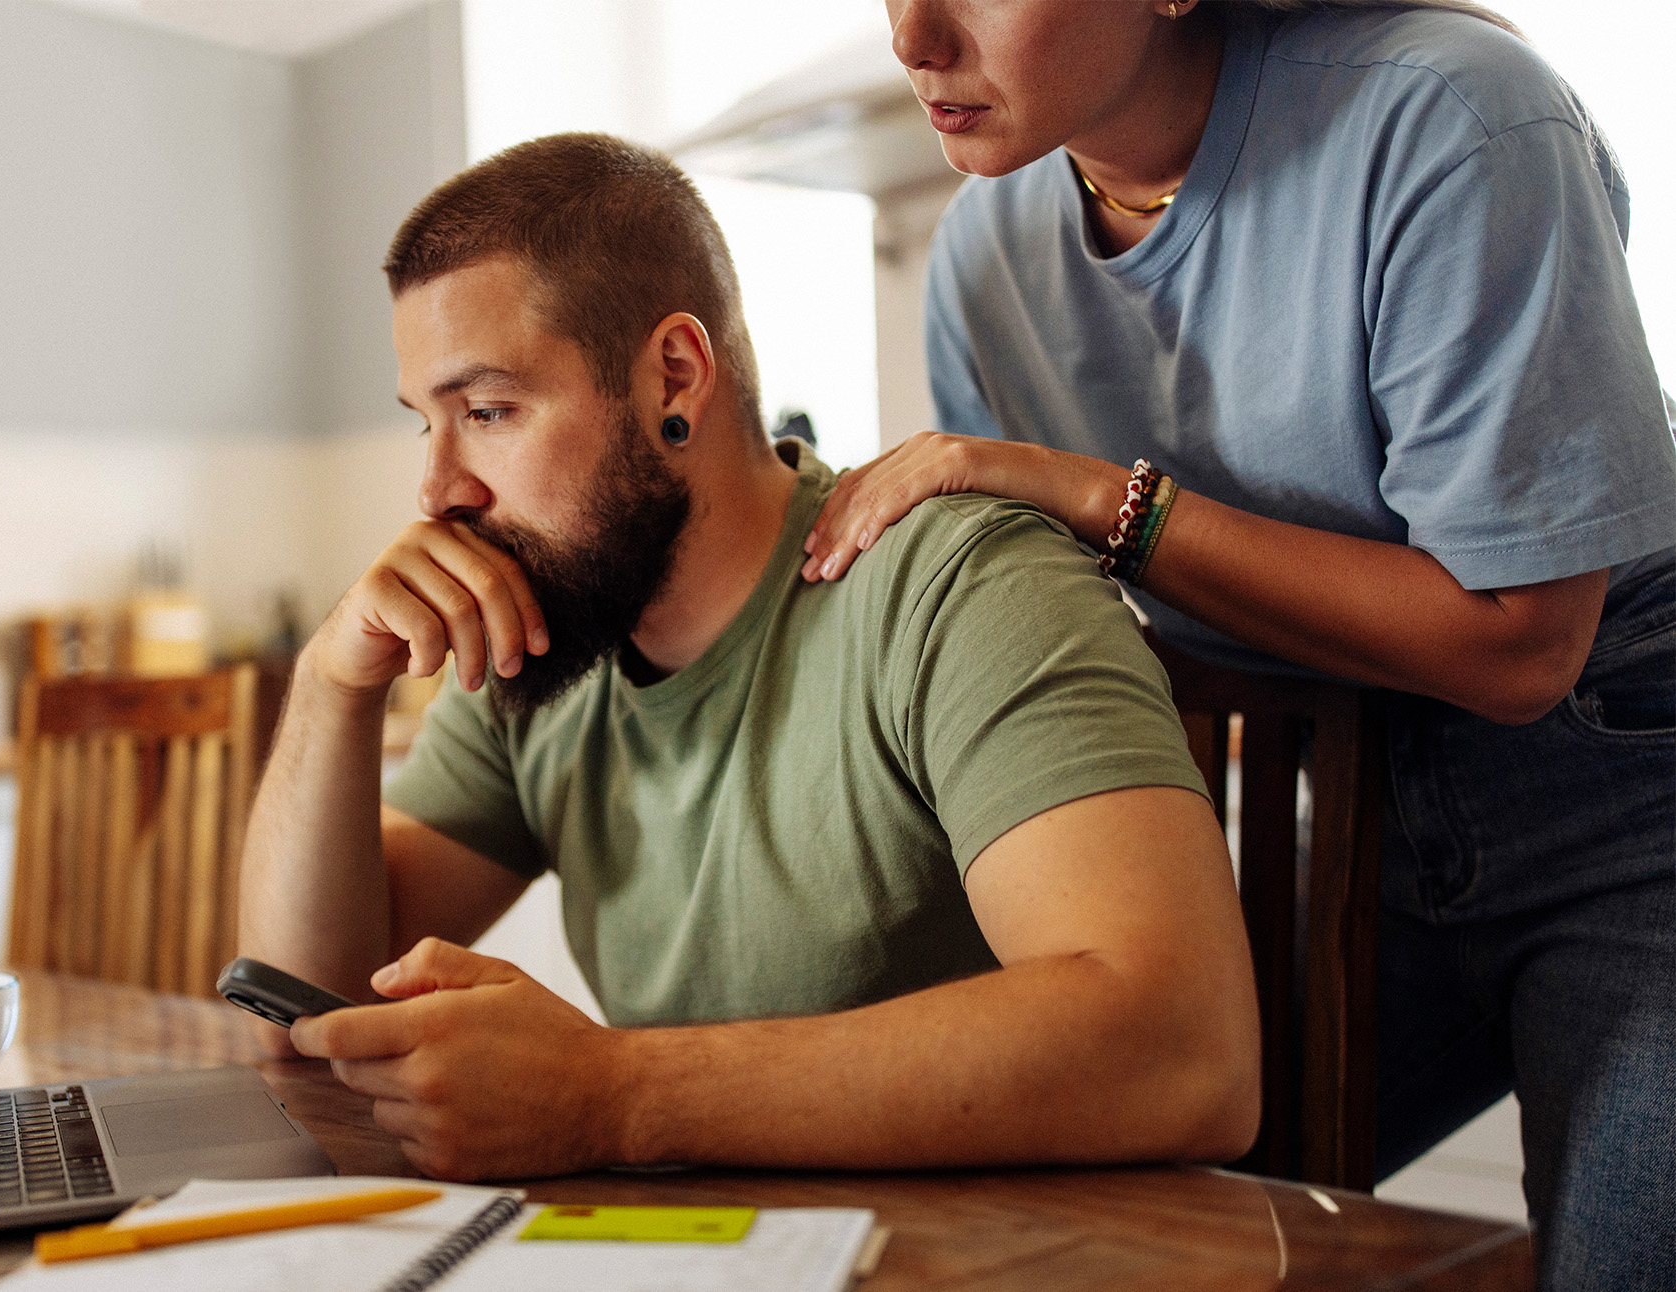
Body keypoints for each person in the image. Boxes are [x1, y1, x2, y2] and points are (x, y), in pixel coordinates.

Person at [800, 3, 1676, 1287]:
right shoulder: (984, 253)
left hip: (1630, 784)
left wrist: (1101, 497)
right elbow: (1067, 655)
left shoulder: (1453, 114)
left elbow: (1520, 649)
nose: (914, 38)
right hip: (1349, 796)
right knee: (1071, 1205)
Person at [237, 132, 1261, 1183]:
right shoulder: (545, 638)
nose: (437, 490)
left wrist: (612, 1094)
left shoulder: (956, 582)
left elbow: (1183, 1048)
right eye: (428, 425)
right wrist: (330, 684)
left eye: (487, 410)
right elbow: (307, 1008)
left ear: (671, 376)